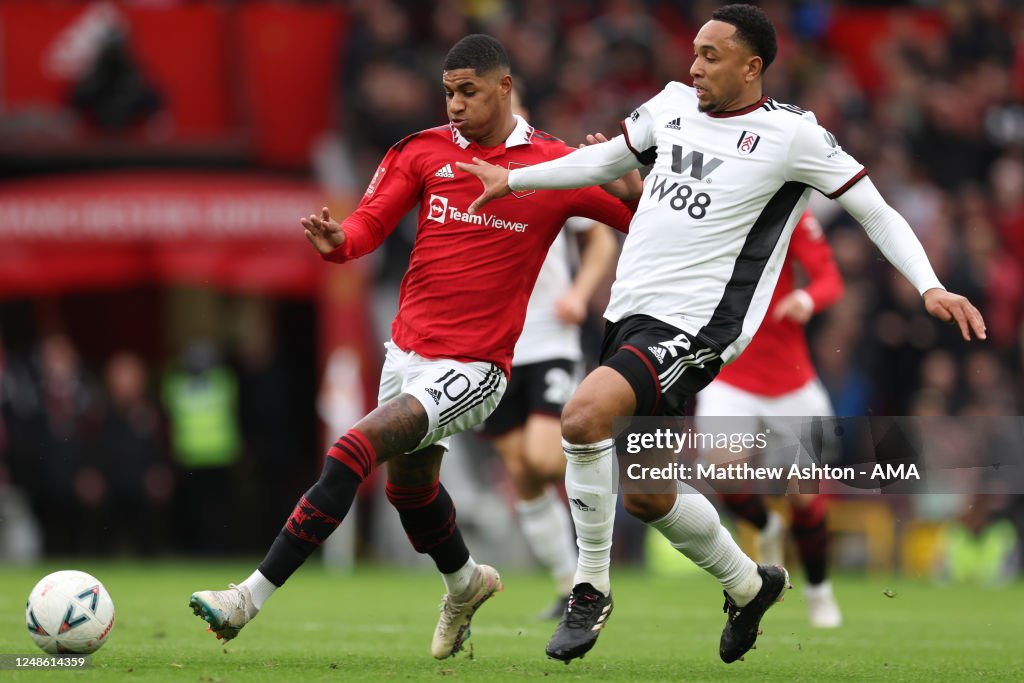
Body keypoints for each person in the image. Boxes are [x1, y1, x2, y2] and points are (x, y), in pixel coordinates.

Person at [459, 3, 986, 664]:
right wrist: (514, 179)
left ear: (752, 65)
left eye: (711, 55)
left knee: (583, 415)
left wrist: (929, 283)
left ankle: (588, 588)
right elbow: (602, 166)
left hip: (699, 328)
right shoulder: (671, 104)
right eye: (696, 52)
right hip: (630, 315)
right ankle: (748, 582)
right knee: (650, 494)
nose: (695, 65)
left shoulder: (793, 136)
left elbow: (874, 210)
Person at [189, 34, 639, 660]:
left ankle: (248, 597)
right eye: (448, 92)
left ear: (504, 87)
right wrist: (338, 240)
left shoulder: (551, 166)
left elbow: (638, 222)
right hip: (406, 354)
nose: (454, 105)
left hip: (476, 366)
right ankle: (465, 581)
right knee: (411, 491)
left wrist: (630, 187)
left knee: (352, 449)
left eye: (468, 91)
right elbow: (369, 224)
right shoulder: (421, 151)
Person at [476, 89, 620, 620]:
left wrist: (579, 295)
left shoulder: (550, 165)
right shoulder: (471, 170)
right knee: (522, 472)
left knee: (543, 456)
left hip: (550, 340)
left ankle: (597, 549)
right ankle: (568, 583)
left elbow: (600, 239)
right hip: (495, 345)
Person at [694, 210, 844, 628]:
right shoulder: (712, 207)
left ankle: (819, 591)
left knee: (806, 497)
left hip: (791, 382)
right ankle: (766, 524)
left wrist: (807, 299)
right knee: (722, 472)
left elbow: (830, 279)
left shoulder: (793, 213)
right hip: (731, 375)